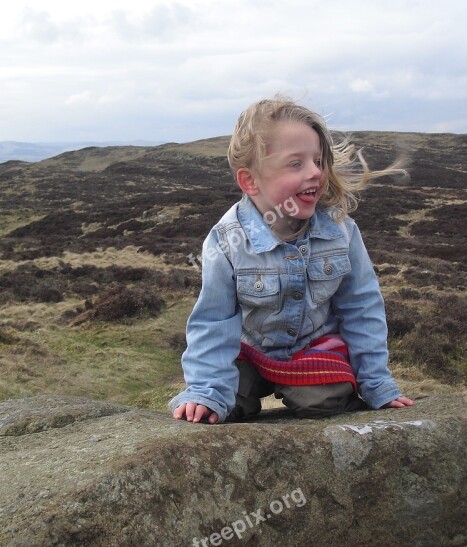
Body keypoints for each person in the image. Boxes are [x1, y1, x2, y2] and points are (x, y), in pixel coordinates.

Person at [170, 95, 414, 424]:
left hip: (312, 349)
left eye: (317, 160)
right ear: (250, 181)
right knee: (222, 405)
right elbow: (213, 321)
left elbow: (362, 307)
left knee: (325, 401)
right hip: (249, 350)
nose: (315, 172)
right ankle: (227, 392)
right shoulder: (227, 241)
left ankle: (309, 387)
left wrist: (376, 383)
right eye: (296, 163)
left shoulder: (342, 233)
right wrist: (206, 390)